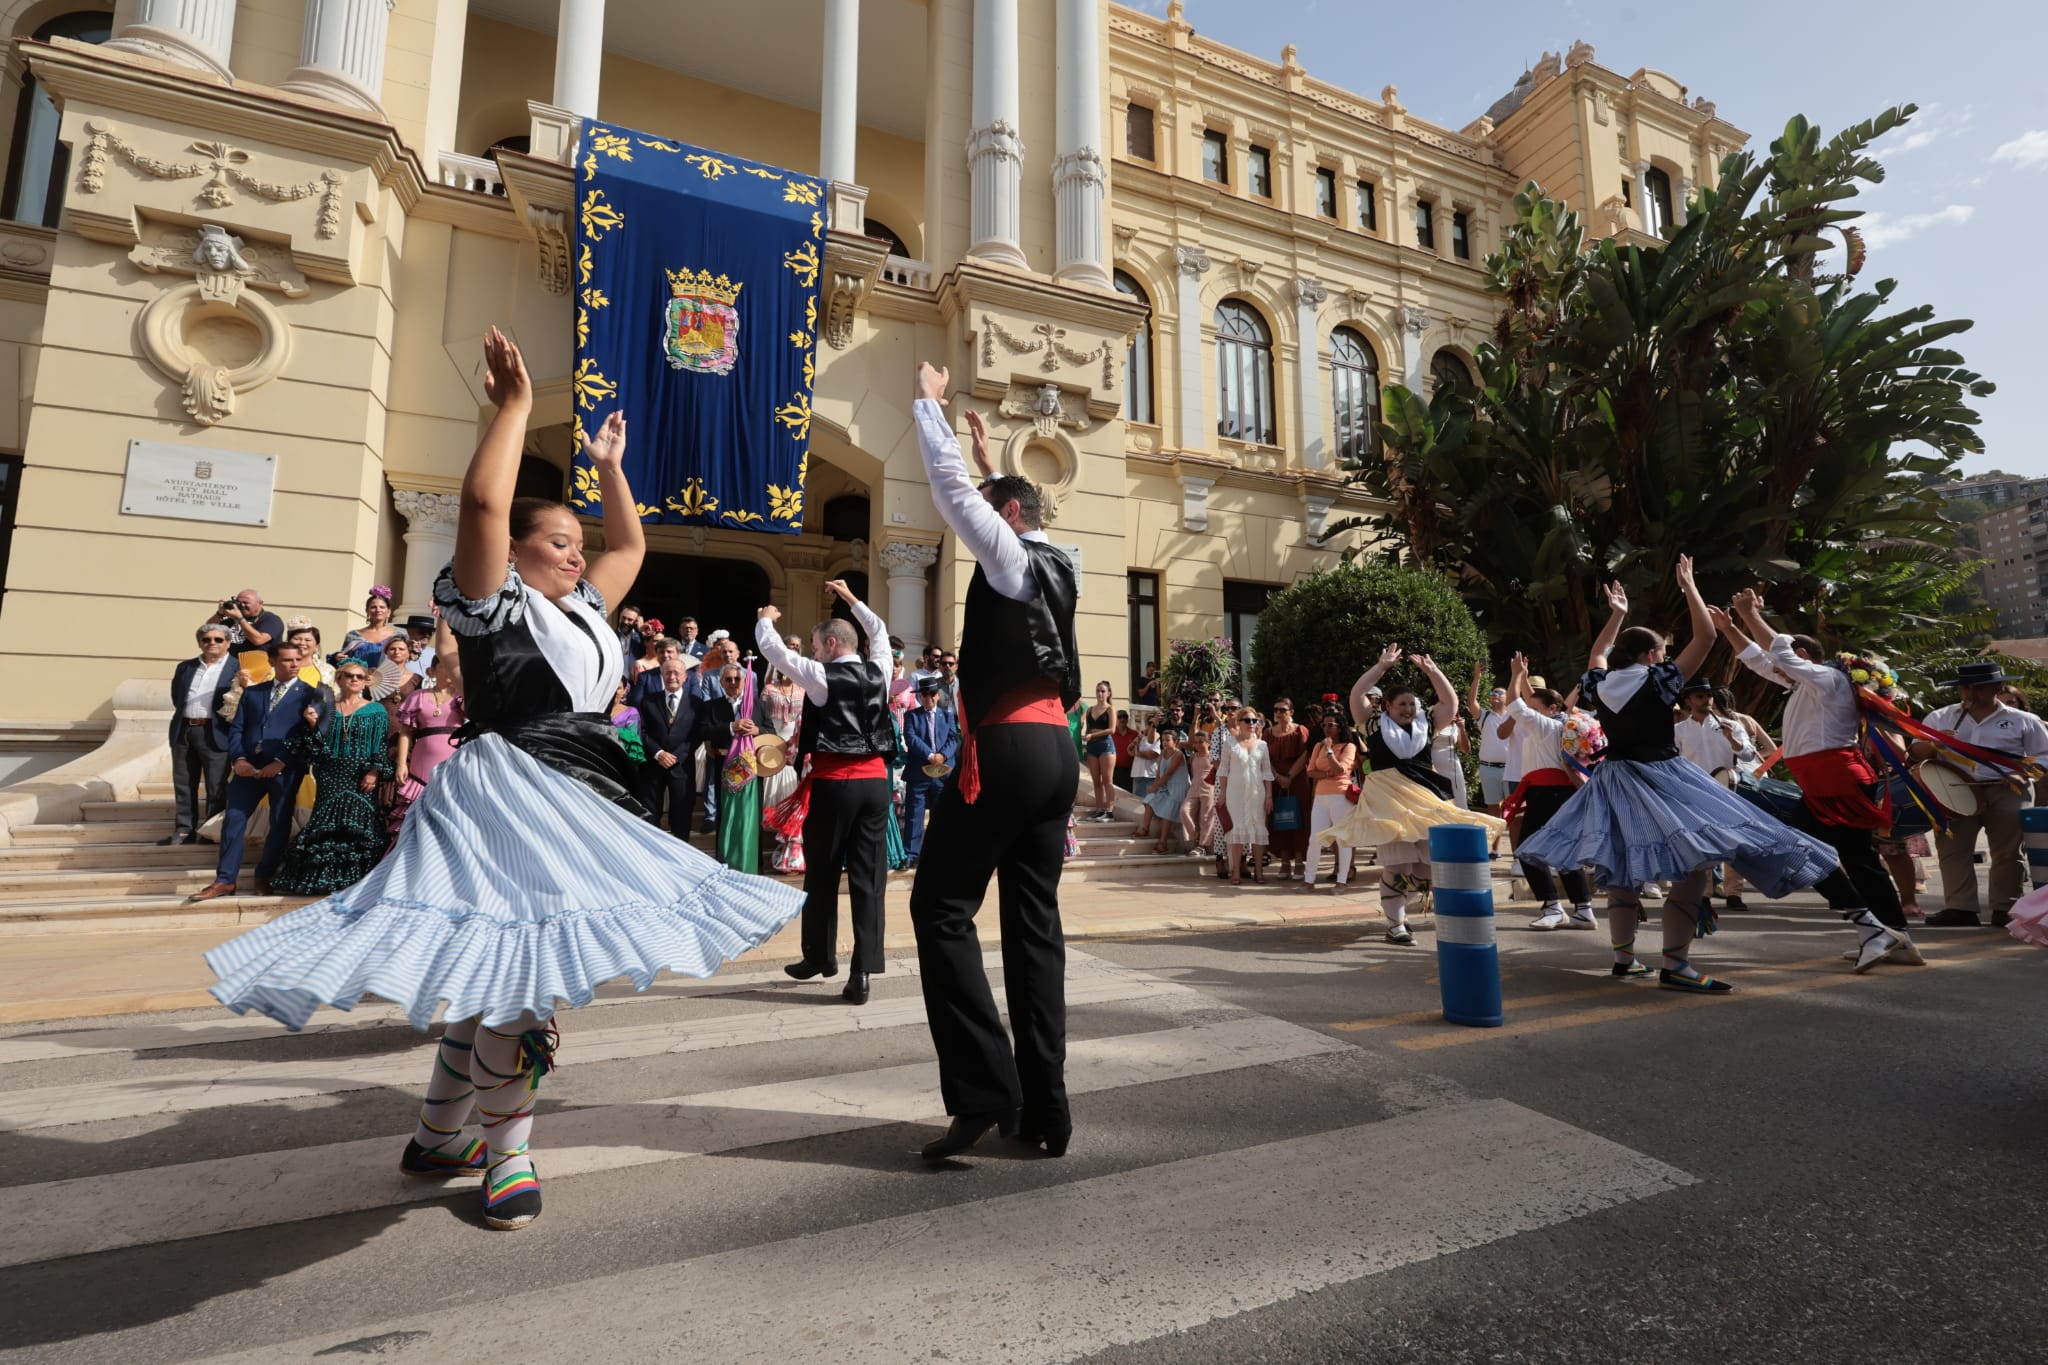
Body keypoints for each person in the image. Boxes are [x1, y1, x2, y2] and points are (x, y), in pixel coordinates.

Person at [206, 329, 802, 1232]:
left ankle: (438, 1134)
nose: (576, 554)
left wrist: (610, 469)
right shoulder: (491, 600)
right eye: (557, 541)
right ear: (514, 551)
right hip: (506, 789)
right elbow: (484, 502)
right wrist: (515, 409)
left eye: (575, 544)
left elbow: (630, 545)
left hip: (573, 788)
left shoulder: (585, 609)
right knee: (520, 975)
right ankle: (506, 1153)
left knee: (500, 971)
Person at [906, 367, 1082, 1163]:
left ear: (1008, 517)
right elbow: (1002, 503)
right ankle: (1046, 1108)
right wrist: (989, 459)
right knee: (1033, 927)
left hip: (1007, 748)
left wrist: (930, 402)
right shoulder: (1059, 560)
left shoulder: (1010, 561)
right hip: (1053, 752)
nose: (979, 528)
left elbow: (954, 495)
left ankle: (984, 1090)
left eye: (993, 512)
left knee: (941, 906)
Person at [1520, 563, 1838, 991]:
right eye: (1661, 652)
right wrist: (1689, 587)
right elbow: (1705, 637)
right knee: (1692, 869)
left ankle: (1624, 959)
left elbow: (1597, 654)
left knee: (1623, 868)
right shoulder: (1659, 679)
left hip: (1613, 780)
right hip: (1662, 776)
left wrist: (1616, 615)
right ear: (1652, 656)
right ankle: (1676, 965)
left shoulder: (1600, 682)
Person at [1720, 596, 1921, 968]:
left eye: (1786, 662)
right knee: (1853, 859)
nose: (1776, 671)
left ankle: (1874, 928)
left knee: (1811, 854)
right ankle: (1895, 934)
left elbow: (1778, 655)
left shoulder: (1829, 680)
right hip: (1826, 782)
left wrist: (1750, 614)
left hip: (1838, 781)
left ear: (1802, 657)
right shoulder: (1806, 686)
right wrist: (1731, 628)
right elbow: (1760, 660)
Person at [754, 581, 894, 1004]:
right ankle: (862, 972)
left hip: (836, 784)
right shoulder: (881, 669)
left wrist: (765, 620)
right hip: (876, 785)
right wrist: (852, 600)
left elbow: (774, 652)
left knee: (823, 873)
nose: (813, 654)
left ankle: (819, 956)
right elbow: (879, 631)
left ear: (832, 644)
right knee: (869, 881)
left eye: (815, 646)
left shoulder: (821, 676)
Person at [1320, 648, 1505, 943]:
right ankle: (1395, 924)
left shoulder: (1426, 722)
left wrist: (1432, 671)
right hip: (1388, 801)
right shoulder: (1373, 723)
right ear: (1387, 706)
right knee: (1398, 865)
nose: (1408, 709)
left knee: (1425, 868)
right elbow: (1357, 695)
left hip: (1422, 798)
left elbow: (1450, 702)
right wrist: (1380, 667)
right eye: (1402, 704)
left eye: (1411, 704)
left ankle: (1400, 912)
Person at [189, 642, 333, 901]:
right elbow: (237, 728)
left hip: (285, 770)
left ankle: (264, 876)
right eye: (287, 660)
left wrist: (281, 761)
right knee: (233, 819)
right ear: (272, 662)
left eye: (297, 659)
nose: (294, 664)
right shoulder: (254, 692)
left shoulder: (311, 693)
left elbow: (307, 734)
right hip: (247, 769)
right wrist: (239, 759)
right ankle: (225, 880)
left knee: (279, 822)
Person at [1916, 661, 2048, 928]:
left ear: (1997, 688)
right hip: (1954, 789)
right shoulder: (1940, 718)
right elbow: (1915, 752)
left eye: (1978, 688)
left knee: (2009, 851)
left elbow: (2044, 756)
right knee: (1953, 849)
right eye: (1966, 687)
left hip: (2007, 789)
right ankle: (1960, 908)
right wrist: (1934, 744)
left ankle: (2005, 907)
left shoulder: (2024, 720)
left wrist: (2023, 773)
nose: (1970, 693)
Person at [270, 660, 393, 895]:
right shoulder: (325, 707)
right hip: (330, 771)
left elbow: (380, 744)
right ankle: (322, 880)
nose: (354, 679)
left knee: (358, 823)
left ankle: (356, 884)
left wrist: (373, 771)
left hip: (360, 772)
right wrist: (312, 724)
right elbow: (314, 747)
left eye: (359, 676)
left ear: (366, 681)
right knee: (325, 822)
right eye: (349, 675)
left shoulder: (376, 710)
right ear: (339, 679)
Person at [1502, 654, 1597, 930]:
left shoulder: (1546, 726)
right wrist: (1523, 676)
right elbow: (1526, 700)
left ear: (1552, 708)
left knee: (1527, 851)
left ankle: (1553, 907)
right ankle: (1583, 910)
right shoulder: (1561, 725)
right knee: (1564, 850)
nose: (1530, 711)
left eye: (1535, 707)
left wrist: (1515, 674)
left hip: (1547, 793)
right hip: (1557, 792)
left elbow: (1514, 704)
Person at [1673, 676, 1754, 915]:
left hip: (1727, 790)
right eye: (1700, 696)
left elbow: (1749, 755)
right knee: (1703, 844)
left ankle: (1734, 893)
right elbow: (1673, 762)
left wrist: (1733, 741)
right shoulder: (1678, 730)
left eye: (1708, 696)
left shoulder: (1732, 725)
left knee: (1734, 842)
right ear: (1688, 701)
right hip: (1694, 793)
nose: (1707, 700)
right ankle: (1704, 893)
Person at [164, 622, 237, 846]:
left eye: (218, 639)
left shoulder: (238, 668)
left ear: (228, 643)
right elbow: (177, 697)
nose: (211, 643)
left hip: (216, 731)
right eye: (206, 639)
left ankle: (211, 831)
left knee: (216, 785)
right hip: (184, 729)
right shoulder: (185, 667)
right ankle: (184, 829)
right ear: (199, 643)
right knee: (184, 783)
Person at [388, 643, 467, 844]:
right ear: (432, 670)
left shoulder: (461, 696)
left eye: (452, 667)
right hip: (420, 764)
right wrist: (401, 763)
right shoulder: (418, 696)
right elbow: (405, 733)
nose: (449, 671)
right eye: (444, 666)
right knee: (414, 811)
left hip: (453, 760)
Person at [703, 662, 768, 874]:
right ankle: (724, 862)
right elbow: (704, 730)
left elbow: (771, 732)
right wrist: (731, 727)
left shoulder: (758, 705)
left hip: (752, 769)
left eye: (737, 679)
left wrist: (757, 730)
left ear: (744, 681)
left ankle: (755, 864)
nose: (733, 683)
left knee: (752, 817)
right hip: (724, 767)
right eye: (728, 679)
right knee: (725, 815)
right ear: (721, 683)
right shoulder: (712, 706)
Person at [637, 655, 702, 836]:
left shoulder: (696, 703)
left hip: (682, 765)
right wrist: (659, 753)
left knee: (681, 815)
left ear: (685, 677)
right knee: (650, 815)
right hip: (653, 765)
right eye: (667, 673)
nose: (672, 677)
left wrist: (676, 756)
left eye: (676, 673)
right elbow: (641, 731)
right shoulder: (648, 701)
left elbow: (697, 734)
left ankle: (680, 851)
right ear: (662, 675)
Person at [902, 676, 960, 868]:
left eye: (932, 694)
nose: (929, 698)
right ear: (920, 697)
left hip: (942, 773)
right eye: (925, 694)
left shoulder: (948, 716)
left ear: (938, 695)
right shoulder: (911, 716)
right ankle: (911, 854)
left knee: (942, 815)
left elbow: (954, 738)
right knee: (914, 814)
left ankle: (940, 852)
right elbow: (911, 738)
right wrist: (930, 755)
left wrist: (942, 755)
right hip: (919, 773)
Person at [1215, 708, 1274, 886]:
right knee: (1236, 831)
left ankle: (1259, 870)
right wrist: (1222, 793)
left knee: (1258, 829)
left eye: (1254, 720)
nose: (1251, 724)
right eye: (1247, 720)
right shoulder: (1229, 743)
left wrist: (1269, 795)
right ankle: (1235, 870)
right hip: (1235, 793)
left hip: (1257, 792)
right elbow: (1223, 770)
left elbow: (1267, 772)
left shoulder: (1262, 745)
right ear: (1239, 722)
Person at [757, 662, 806, 872]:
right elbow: (762, 715)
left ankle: (790, 853)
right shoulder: (769, 689)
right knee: (769, 794)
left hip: (796, 741)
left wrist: (795, 746)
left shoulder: (804, 689)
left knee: (792, 795)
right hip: (773, 741)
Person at [1303, 714, 1358, 890]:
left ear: (1340, 727)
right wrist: (1327, 774)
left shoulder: (1349, 746)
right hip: (1321, 796)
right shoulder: (1318, 746)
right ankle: (1309, 880)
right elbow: (1310, 771)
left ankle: (1342, 881)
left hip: (1341, 796)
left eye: (1330, 725)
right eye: (1324, 725)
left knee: (1342, 839)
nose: (1326, 729)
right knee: (1314, 839)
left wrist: (1329, 750)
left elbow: (1340, 769)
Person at [1264, 698, 1313, 880]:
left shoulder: (1301, 730)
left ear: (1291, 712)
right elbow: (1265, 758)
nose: (1278, 713)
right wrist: (1278, 777)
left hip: (1297, 780)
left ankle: (1299, 862)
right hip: (1275, 780)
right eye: (1276, 709)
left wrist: (1290, 776)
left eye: (1283, 710)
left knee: (1299, 818)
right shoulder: (1267, 733)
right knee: (1279, 819)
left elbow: (1305, 754)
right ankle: (1284, 863)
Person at [1469, 665, 1515, 812]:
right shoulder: (1484, 716)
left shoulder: (1515, 716)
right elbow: (1471, 702)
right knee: (1493, 806)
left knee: (1512, 807)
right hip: (1488, 768)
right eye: (1492, 693)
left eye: (1499, 692)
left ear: (1507, 697)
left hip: (1510, 768)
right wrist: (1477, 678)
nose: (1495, 694)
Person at [1142, 728, 1191, 852]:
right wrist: (1155, 787)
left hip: (1179, 788)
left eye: (1168, 740)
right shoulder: (1162, 754)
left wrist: (1155, 787)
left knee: (1167, 810)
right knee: (1149, 800)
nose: (1164, 742)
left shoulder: (1178, 755)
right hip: (1165, 786)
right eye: (1163, 740)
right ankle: (1144, 829)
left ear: (1175, 741)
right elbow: (1159, 774)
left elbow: (1168, 774)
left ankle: (1163, 843)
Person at [1079, 682, 1117, 820]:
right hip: (1091, 746)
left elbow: (1112, 730)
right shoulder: (1089, 709)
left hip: (1105, 745)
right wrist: (1085, 735)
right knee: (1096, 781)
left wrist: (1093, 735)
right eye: (1098, 691)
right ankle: (1099, 809)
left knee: (1107, 780)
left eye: (1103, 691)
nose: (1100, 694)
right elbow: (1085, 726)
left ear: (1108, 693)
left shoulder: (1110, 709)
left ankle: (1109, 812)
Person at [210, 588, 283, 654]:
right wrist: (219, 614)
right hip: (227, 662)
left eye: (246, 603)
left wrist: (240, 619)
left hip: (255, 662)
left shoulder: (271, 619)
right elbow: (208, 630)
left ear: (260, 603)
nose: (242, 605)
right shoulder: (232, 619)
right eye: (238, 602)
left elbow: (258, 640)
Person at [338, 587, 399, 664]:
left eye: (382, 607)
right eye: (373, 607)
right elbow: (343, 660)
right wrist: (337, 657)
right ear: (367, 611)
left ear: (388, 612)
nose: (378, 610)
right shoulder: (353, 636)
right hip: (358, 671)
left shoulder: (398, 636)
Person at [369, 635, 420, 705]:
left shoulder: (417, 679)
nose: (396, 652)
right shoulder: (374, 674)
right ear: (386, 652)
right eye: (392, 649)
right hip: (379, 711)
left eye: (401, 649)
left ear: (409, 653)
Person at [1130, 716, 1162, 802]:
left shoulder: (1157, 737)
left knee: (1149, 801)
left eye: (1153, 724)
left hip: (1150, 775)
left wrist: (1138, 753)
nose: (1151, 726)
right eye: (1149, 723)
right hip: (1137, 774)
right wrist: (1138, 740)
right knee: (1136, 801)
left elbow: (1152, 755)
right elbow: (1130, 751)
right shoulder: (1141, 737)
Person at [1111, 710, 1138, 792]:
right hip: (1114, 770)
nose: (1122, 719)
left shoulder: (1134, 734)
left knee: (1128, 795)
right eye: (1119, 717)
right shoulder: (1111, 734)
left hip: (1129, 771)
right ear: (1115, 719)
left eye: (1125, 717)